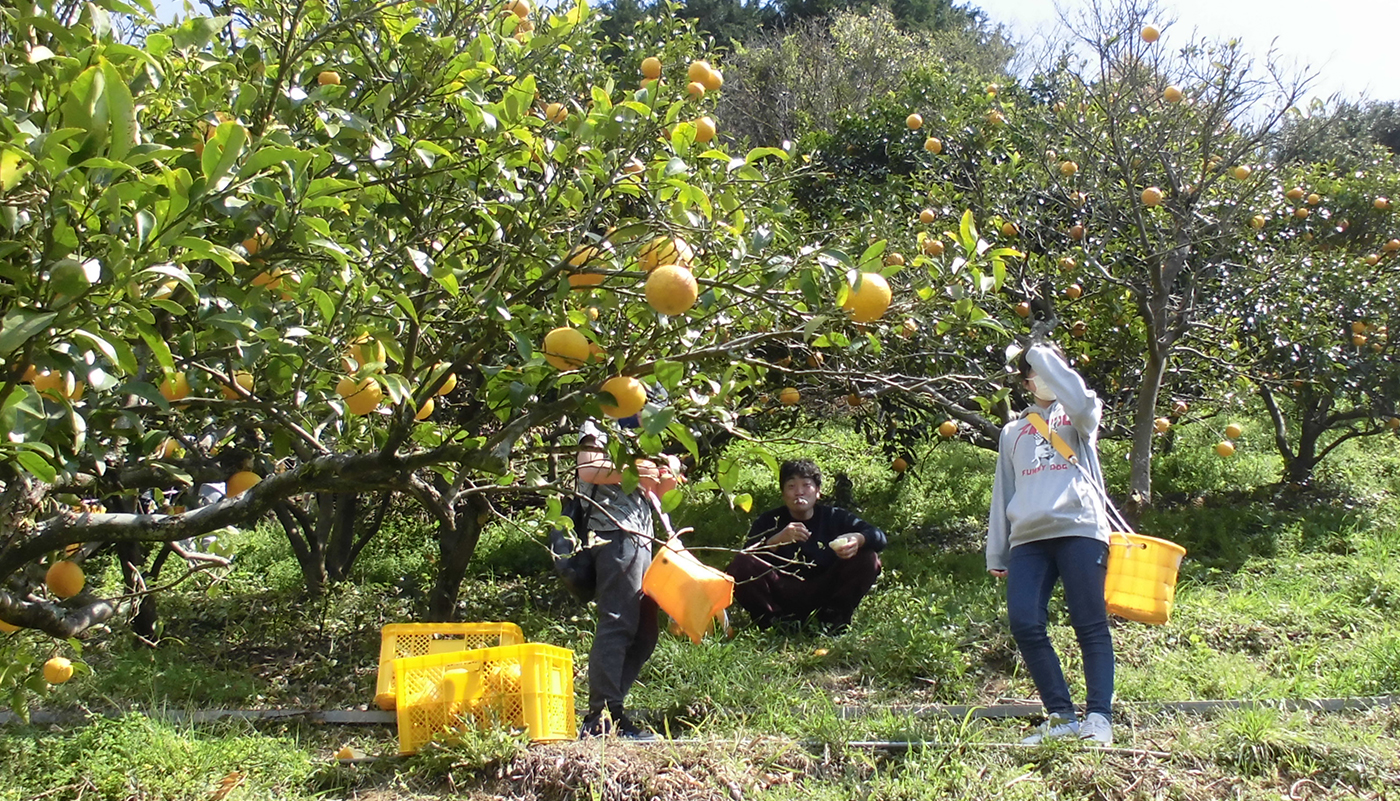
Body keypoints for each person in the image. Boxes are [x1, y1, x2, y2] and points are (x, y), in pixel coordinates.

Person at [987, 335, 1115, 745]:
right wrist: (998, 549)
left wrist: (1039, 352)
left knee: (1089, 624)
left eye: (1050, 372)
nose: (1043, 379)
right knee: (1025, 621)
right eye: (1034, 374)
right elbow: (1003, 491)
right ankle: (1061, 716)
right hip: (1028, 538)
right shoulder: (1013, 432)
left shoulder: (1080, 417)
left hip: (1079, 527)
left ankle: (1099, 717)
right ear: (1025, 384)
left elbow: (1078, 397)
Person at [575, 415, 679, 740]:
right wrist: (635, 470)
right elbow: (588, 469)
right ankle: (603, 717)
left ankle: (608, 713)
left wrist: (668, 475)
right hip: (613, 531)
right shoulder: (598, 421)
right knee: (619, 621)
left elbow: (658, 491)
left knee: (646, 631)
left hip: (642, 536)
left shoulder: (649, 428)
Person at [726, 459, 885, 633]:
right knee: (741, 564)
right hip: (780, 590)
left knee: (868, 557)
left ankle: (832, 618)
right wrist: (776, 540)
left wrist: (858, 538)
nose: (799, 492)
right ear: (783, 493)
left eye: (806, 485)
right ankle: (773, 622)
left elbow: (879, 537)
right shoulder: (769, 521)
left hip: (824, 588)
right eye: (791, 486)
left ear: (818, 492)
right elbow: (745, 559)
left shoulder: (835, 517)